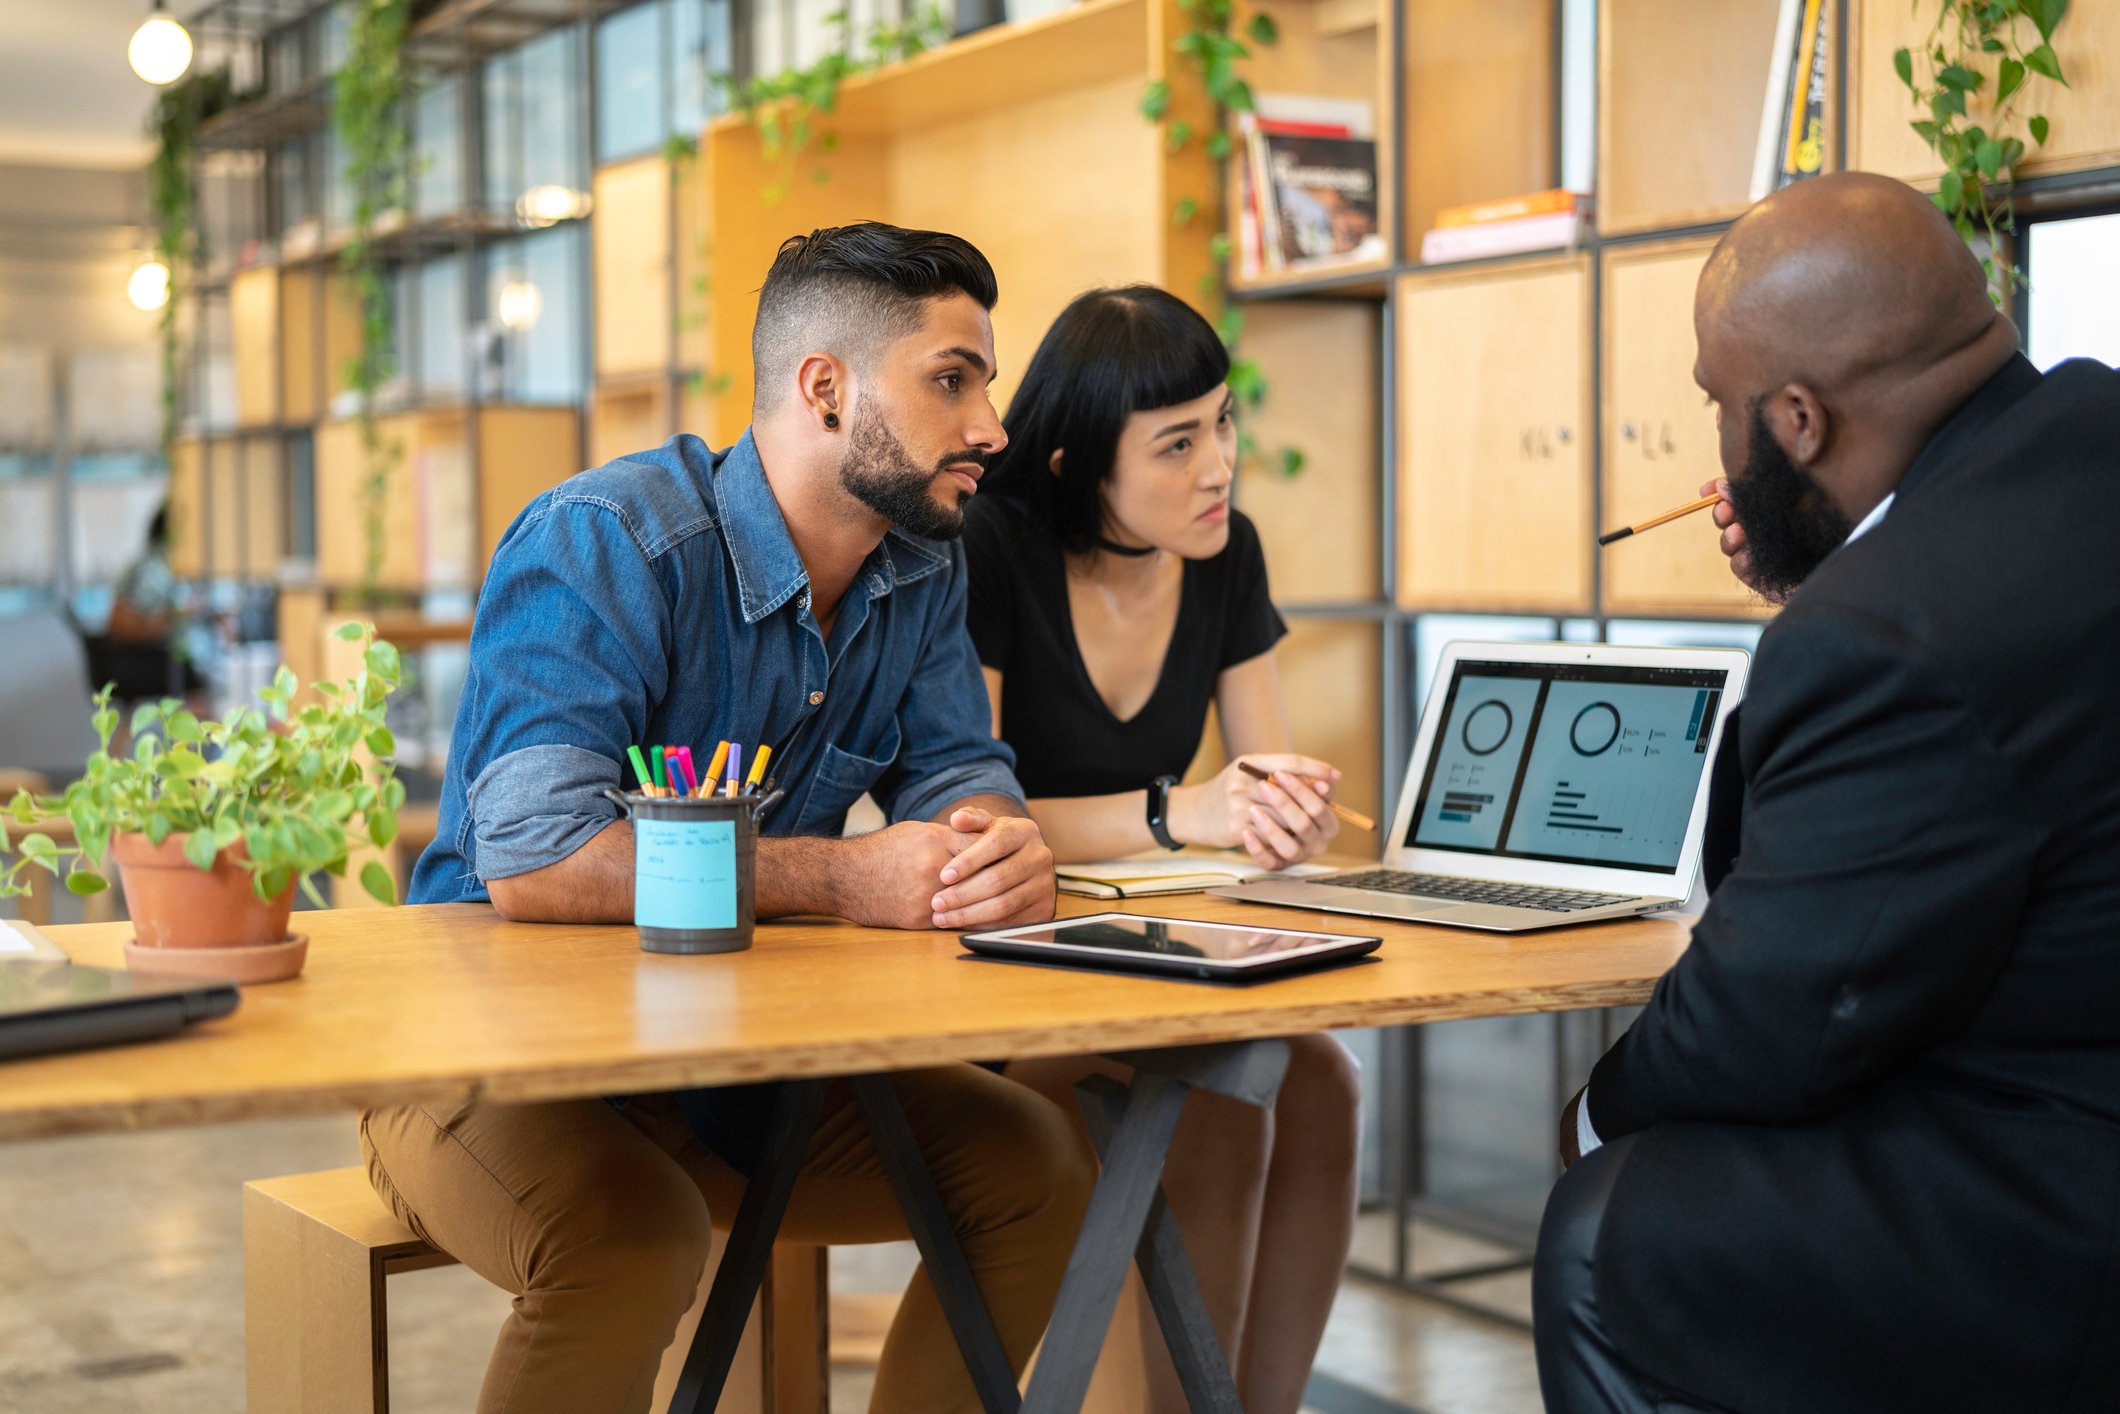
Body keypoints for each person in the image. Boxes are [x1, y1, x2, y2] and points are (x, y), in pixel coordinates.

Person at [365, 223, 1096, 1414]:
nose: (989, 429)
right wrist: (846, 878)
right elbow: (537, 858)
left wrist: (991, 845)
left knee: (1037, 1167)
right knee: (635, 1233)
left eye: (986, 385)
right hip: (483, 1061)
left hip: (729, 1063)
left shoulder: (921, 567)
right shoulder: (607, 541)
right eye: (951, 381)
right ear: (825, 389)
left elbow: (960, 771)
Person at [1534, 171, 2120, 1412]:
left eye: (1718, 406)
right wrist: (1833, 564)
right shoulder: (2081, 441)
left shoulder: (1882, 630)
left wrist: (1591, 1116)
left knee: (1611, 1226)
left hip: (2063, 1178)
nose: (1717, 442)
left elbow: (1773, 1015)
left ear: (1795, 420)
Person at [963, 285, 1360, 1414]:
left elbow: (1256, 782)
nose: (1217, 466)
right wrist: (1174, 812)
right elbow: (974, 817)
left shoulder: (1226, 555)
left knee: (1324, 1079)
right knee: (1224, 1090)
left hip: (1154, 944)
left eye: (1223, 424)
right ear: (1080, 462)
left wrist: (1282, 816)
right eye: (1177, 442)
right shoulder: (993, 549)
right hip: (1003, 961)